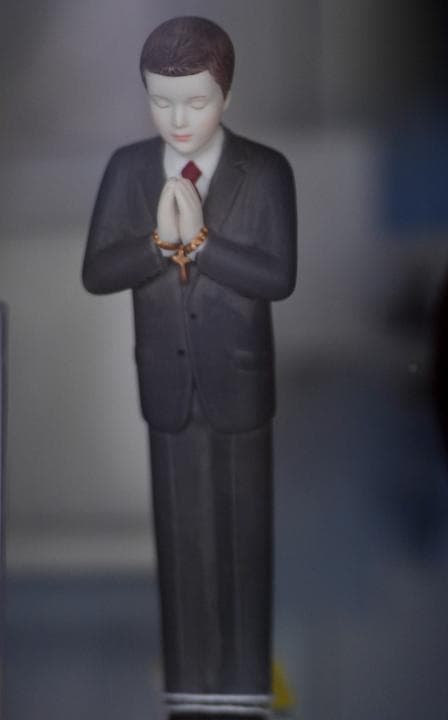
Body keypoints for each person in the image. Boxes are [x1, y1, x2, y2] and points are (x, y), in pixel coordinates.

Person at [82, 16, 295, 719]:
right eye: (162, 100)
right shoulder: (128, 169)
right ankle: (188, 685)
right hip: (166, 386)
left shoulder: (266, 171)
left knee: (245, 543)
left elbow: (277, 276)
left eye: (196, 101)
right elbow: (97, 271)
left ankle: (242, 685)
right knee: (182, 545)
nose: (178, 119)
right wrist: (156, 243)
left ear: (226, 96)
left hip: (240, 383)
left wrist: (201, 245)